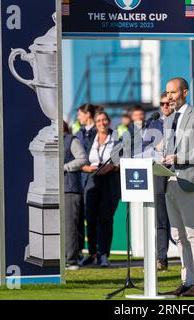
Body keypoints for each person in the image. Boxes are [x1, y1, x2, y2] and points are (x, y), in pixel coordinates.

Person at [162, 77, 194, 297]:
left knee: (192, 234)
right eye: (167, 93)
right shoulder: (169, 119)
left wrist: (178, 157)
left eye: (173, 92)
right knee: (178, 236)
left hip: (188, 181)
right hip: (169, 181)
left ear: (185, 92)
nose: (169, 97)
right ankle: (186, 280)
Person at [82, 111, 121, 267]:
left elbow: (125, 160)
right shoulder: (89, 139)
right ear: (95, 122)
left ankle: (103, 254)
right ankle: (92, 253)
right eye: (98, 120)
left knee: (105, 219)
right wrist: (87, 168)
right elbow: (81, 160)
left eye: (104, 120)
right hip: (92, 180)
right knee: (90, 218)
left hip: (110, 181)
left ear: (109, 121)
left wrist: (111, 167)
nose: (102, 123)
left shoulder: (117, 138)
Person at [143, 92, 175, 271]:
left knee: (179, 218)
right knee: (160, 219)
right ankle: (161, 258)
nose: (164, 107)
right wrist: (155, 147)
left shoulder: (181, 122)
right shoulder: (154, 124)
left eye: (168, 104)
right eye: (162, 104)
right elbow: (143, 148)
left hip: (178, 173)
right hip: (158, 173)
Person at [75, 103, 98, 265]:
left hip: (95, 179)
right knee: (77, 218)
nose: (78, 117)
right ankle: (78, 252)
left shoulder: (99, 132)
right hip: (80, 179)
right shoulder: (78, 133)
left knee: (93, 218)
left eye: (80, 114)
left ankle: (94, 252)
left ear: (88, 114)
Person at [63, 121, 88, 270]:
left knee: (70, 227)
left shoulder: (72, 140)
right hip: (56, 189)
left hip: (70, 189)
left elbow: (83, 159)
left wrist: (65, 167)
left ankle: (71, 260)